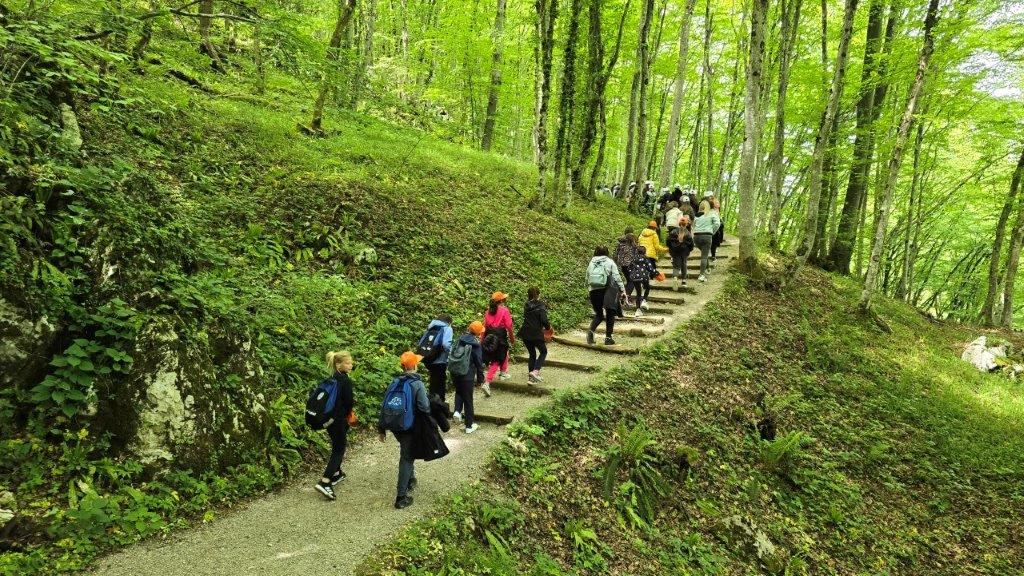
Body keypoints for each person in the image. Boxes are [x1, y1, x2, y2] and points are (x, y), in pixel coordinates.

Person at [378, 351, 431, 509]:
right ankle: (401, 497)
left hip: (395, 425)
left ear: (402, 366)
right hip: (409, 426)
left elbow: (384, 406)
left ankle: (411, 479)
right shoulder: (417, 384)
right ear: (415, 366)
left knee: (407, 451)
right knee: (407, 458)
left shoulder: (395, 382)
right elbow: (424, 407)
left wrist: (381, 429)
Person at [314, 350, 355, 501]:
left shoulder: (331, 379)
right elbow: (349, 402)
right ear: (338, 364)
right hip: (339, 419)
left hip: (329, 419)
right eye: (347, 363)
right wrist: (349, 414)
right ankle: (325, 481)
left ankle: (336, 474)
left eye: (351, 362)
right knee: (339, 449)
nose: (351, 365)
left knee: (337, 444)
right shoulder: (345, 381)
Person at [586, 246, 626, 345]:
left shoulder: (592, 262)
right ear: (607, 252)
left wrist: (589, 288)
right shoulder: (610, 262)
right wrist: (622, 290)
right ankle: (608, 338)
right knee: (610, 313)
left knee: (599, 314)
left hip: (594, 290)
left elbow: (587, 277)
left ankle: (591, 331)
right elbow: (616, 277)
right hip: (608, 290)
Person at [451, 321, 486, 433]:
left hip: (455, 371)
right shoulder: (476, 345)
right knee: (468, 399)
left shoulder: (460, 339)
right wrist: (480, 380)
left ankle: (457, 411)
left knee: (459, 391)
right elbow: (479, 363)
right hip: (467, 374)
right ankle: (469, 426)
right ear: (479, 333)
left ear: (469, 329)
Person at [482, 291, 514, 396]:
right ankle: (487, 381)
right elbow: (509, 326)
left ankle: (503, 372)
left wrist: (482, 340)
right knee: (496, 360)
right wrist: (512, 338)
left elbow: (485, 326)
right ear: (501, 301)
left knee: (502, 354)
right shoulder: (504, 310)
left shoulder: (488, 311)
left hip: (489, 336)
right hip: (500, 337)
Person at [517, 287, 551, 383]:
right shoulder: (541, 305)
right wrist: (548, 328)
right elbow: (544, 320)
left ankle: (531, 379)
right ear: (539, 294)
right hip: (535, 333)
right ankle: (535, 372)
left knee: (532, 354)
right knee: (543, 351)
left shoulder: (526, 304)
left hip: (525, 332)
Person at [417, 314, 454, 403]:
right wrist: (450, 353)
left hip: (428, 358)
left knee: (433, 382)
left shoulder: (431, 327)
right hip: (440, 360)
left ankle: (431, 403)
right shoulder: (447, 328)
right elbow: (446, 344)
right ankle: (439, 404)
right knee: (440, 384)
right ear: (449, 322)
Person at [693, 203, 722, 282]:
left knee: (704, 253)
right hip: (706, 236)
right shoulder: (711, 214)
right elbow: (717, 224)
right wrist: (712, 231)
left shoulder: (697, 215)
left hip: (696, 237)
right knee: (704, 256)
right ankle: (701, 275)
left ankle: (707, 268)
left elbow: (694, 226)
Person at [667, 216, 695, 285]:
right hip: (684, 252)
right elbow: (691, 245)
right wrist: (688, 251)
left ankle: (675, 277)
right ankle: (684, 281)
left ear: (679, 224)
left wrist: (671, 249)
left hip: (675, 251)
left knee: (676, 265)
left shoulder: (673, 231)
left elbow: (668, 241)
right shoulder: (688, 233)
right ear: (686, 224)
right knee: (684, 264)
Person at [615, 227, 638, 294]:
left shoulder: (620, 242)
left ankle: (624, 294)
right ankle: (627, 295)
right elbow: (636, 252)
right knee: (632, 281)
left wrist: (616, 262)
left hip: (622, 264)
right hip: (630, 264)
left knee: (628, 279)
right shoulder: (633, 241)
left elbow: (616, 253)